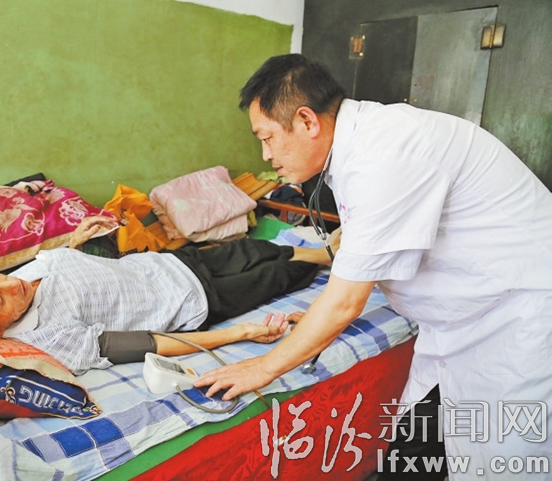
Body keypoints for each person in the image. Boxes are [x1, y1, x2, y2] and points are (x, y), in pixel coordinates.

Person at [193, 54, 552, 480]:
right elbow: (364, 260)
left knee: (504, 461)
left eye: (267, 138)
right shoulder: (359, 148)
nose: (266, 155)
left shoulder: (384, 154)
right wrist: (319, 316)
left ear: (307, 121)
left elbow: (345, 302)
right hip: (461, 323)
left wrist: (263, 367)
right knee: (415, 450)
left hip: (519, 321)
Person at [0, 215, 339, 375]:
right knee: (273, 277)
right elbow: (152, 343)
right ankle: (326, 260)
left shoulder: (15, 279)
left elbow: (60, 274)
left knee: (250, 249)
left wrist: (73, 245)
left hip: (167, 264)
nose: (9, 285)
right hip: (191, 302)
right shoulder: (49, 336)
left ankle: (322, 252)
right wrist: (240, 333)